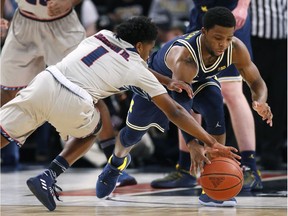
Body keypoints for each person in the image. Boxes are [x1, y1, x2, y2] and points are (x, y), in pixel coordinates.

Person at [0, 16, 239, 211]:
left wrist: (167, 81)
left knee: (3, 132)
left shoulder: (101, 35)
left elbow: (129, 65)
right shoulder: (136, 66)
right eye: (149, 48)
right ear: (139, 46)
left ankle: (108, 168)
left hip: (45, 81)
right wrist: (209, 141)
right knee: (91, 132)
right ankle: (49, 175)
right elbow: (176, 110)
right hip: (74, 100)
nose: (149, 54)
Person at [95, 7, 273, 207]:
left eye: (228, 38)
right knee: (131, 136)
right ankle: (115, 165)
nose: (223, 44)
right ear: (203, 31)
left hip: (198, 81)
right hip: (158, 83)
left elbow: (256, 81)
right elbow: (179, 109)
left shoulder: (236, 48)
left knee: (215, 104)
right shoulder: (185, 58)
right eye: (217, 38)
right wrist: (192, 143)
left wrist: (261, 100)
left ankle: (212, 185)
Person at [0, 0, 136, 184]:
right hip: (24, 23)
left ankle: (114, 167)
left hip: (62, 26)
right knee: (8, 94)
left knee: (89, 94)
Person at [151, 0, 263, 193]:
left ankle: (249, 166)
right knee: (186, 88)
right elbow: (179, 105)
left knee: (230, 91)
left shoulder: (233, 44)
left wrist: (243, 6)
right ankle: (187, 167)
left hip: (232, 12)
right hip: (202, 14)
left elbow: (256, 82)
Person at [248, 0, 287, 170]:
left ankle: (272, 153)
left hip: (283, 40)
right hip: (255, 38)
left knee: (280, 96)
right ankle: (250, 151)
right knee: (253, 94)